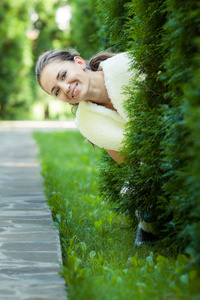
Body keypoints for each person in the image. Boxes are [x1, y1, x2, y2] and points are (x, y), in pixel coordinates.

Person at [35, 49, 158, 245]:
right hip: (155, 162)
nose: (65, 88)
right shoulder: (88, 122)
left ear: (79, 62)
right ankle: (149, 222)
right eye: (56, 90)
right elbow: (129, 161)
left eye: (63, 76)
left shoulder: (124, 65)